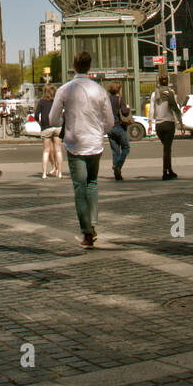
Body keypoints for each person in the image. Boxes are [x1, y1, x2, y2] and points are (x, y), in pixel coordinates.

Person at [48, 51, 114, 249]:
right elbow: (110, 122)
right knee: (92, 183)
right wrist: (99, 130)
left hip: (75, 143)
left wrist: (65, 123)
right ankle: (92, 224)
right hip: (95, 143)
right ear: (90, 66)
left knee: (80, 187)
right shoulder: (100, 90)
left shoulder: (65, 89)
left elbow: (52, 119)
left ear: (74, 66)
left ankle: (86, 231)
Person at [151, 75, 181, 180]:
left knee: (166, 148)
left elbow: (151, 110)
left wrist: (151, 123)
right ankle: (166, 171)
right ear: (167, 82)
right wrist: (180, 122)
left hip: (158, 124)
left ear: (159, 82)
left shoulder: (155, 94)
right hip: (168, 123)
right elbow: (175, 108)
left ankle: (169, 169)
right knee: (167, 149)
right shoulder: (170, 93)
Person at [35, 84, 63, 178]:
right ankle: (59, 172)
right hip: (57, 126)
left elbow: (36, 115)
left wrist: (40, 124)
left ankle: (44, 173)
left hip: (46, 127)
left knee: (46, 151)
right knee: (58, 150)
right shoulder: (57, 101)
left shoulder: (41, 101)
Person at [106, 80, 132, 181]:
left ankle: (117, 174)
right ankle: (118, 165)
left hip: (110, 128)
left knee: (115, 150)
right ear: (118, 89)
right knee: (126, 147)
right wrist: (128, 108)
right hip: (119, 127)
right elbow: (125, 112)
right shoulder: (120, 99)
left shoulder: (107, 100)